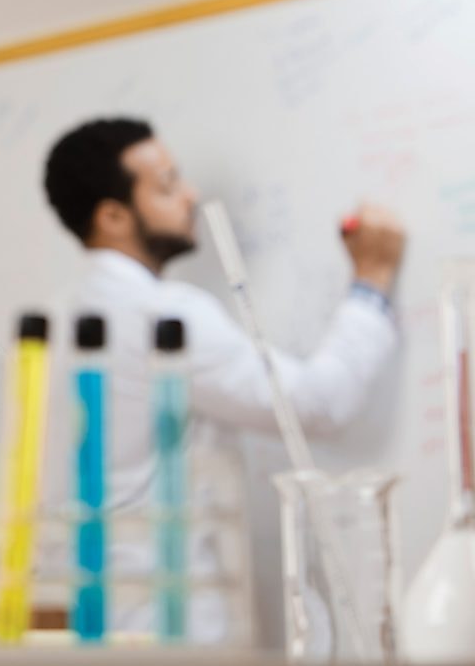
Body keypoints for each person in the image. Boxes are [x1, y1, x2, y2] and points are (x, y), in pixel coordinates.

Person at [41, 117, 405, 641]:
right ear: (113, 216)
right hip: (166, 622)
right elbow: (316, 404)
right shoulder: (163, 315)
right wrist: (372, 280)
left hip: (79, 618)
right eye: (167, 185)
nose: (190, 195)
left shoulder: (55, 315)